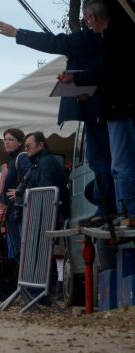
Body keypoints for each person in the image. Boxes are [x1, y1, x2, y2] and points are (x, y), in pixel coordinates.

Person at [0, 15, 115, 220]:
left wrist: (18, 34)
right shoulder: (104, 43)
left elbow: (56, 42)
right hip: (102, 107)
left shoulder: (90, 40)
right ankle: (110, 204)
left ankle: (110, 205)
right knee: (103, 162)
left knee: (101, 161)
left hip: (99, 109)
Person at [59, 0, 135, 224]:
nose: (87, 24)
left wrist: (77, 78)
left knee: (120, 164)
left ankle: (128, 211)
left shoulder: (115, 36)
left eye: (87, 20)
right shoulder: (116, 35)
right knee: (117, 164)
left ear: (92, 17)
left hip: (119, 109)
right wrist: (90, 92)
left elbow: (109, 73)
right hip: (115, 107)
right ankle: (124, 209)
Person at [0, 128, 31, 290]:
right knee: (16, 251)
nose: (7, 142)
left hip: (19, 212)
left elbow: (31, 176)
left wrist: (20, 191)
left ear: (20, 142)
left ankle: (28, 289)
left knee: (21, 250)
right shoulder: (12, 161)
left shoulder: (22, 158)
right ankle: (23, 289)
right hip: (13, 212)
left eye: (11, 139)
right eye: (5, 139)